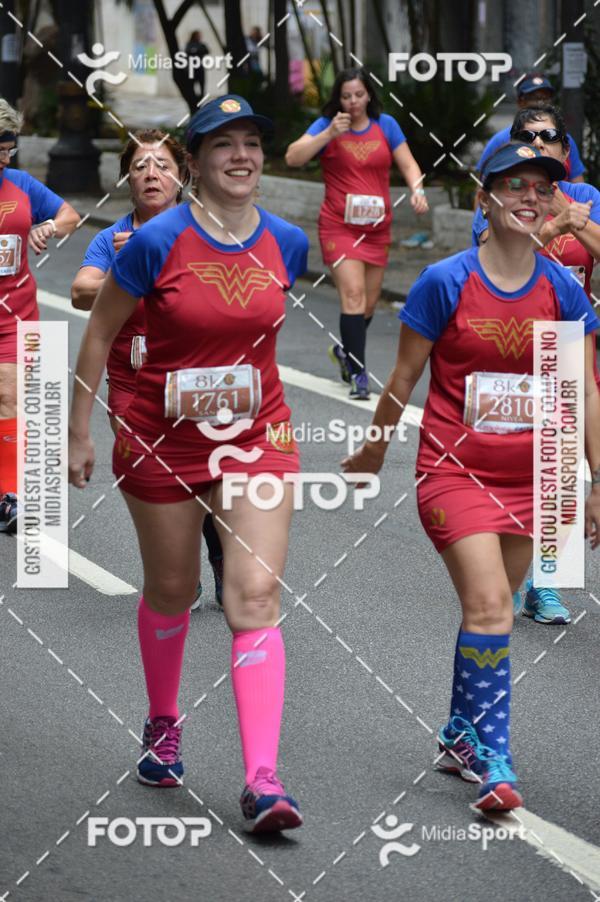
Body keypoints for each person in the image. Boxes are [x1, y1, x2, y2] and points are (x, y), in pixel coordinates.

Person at [68, 95, 308, 833]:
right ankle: (164, 721)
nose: (241, 156)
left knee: (254, 597)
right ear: (196, 163)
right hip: (160, 439)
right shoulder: (153, 242)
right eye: (223, 145)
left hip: (257, 435)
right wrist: (78, 432)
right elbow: (100, 333)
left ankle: (263, 780)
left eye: (251, 143)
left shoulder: (288, 243)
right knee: (172, 591)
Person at [343, 143, 600, 812]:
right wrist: (373, 451)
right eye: (513, 185)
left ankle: (460, 731)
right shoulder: (445, 281)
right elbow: (404, 376)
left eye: (541, 188)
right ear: (483, 199)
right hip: (453, 472)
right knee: (490, 607)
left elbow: (583, 389)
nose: (529, 198)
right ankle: (494, 757)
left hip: (533, 477)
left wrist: (595, 479)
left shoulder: (561, 289)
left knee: (493, 609)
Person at [71, 129, 224, 608]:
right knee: (160, 484)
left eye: (162, 166)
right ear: (127, 180)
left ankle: (219, 559)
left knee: (200, 483)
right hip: (132, 389)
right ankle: (181, 575)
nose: (151, 174)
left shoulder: (205, 230)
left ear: (182, 177)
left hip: (194, 381)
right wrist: (125, 267)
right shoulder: (112, 239)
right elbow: (80, 292)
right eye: (139, 167)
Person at [473, 107, 600, 624]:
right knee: (514, 462)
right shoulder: (499, 198)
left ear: (565, 151)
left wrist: (575, 217)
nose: (540, 143)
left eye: (550, 136)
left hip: (568, 341)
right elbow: (488, 254)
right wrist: (554, 226)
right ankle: (505, 571)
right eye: (528, 135)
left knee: (562, 467)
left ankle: (546, 584)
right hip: (509, 340)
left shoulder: (587, 197)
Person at [285, 67, 428, 400]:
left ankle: (344, 351)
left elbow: (409, 164)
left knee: (368, 304)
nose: (353, 102)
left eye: (359, 95)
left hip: (377, 230)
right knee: (352, 295)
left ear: (369, 96)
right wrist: (328, 134)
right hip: (339, 226)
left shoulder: (385, 125)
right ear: (338, 98)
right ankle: (359, 375)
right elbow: (293, 157)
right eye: (346, 96)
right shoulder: (327, 125)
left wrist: (417, 190)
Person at [0, 99, 79, 534]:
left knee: (10, 396)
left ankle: (12, 496)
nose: (4, 160)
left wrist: (49, 226)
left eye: (8, 151)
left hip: (15, 315)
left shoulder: (21, 185)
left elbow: (69, 215)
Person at [477, 74, 585, 183]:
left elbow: (578, 183)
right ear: (520, 102)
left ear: (565, 152)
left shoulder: (563, 138)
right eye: (534, 97)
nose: (540, 102)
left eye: (545, 98)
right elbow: (482, 184)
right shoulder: (500, 140)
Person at [185, 30, 209, 99]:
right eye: (198, 35)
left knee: (202, 84)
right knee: (191, 85)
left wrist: (196, 51)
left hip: (200, 67)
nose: (199, 37)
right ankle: (193, 98)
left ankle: (201, 97)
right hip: (192, 68)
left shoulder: (201, 44)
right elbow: (188, 52)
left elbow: (207, 51)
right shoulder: (190, 44)